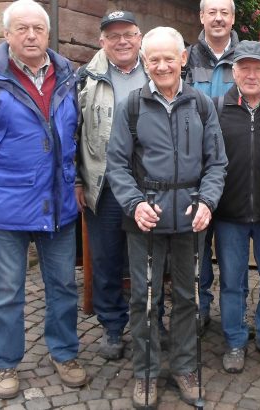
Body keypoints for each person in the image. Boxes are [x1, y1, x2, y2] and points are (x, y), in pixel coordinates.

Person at [0, 0, 87, 399]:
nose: (31, 36)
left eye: (38, 29)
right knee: (7, 290)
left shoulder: (68, 76)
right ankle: (5, 362)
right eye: (22, 29)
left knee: (63, 285)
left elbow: (77, 134)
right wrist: (0, 173)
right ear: (8, 35)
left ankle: (64, 353)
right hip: (8, 206)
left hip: (59, 202)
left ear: (48, 34)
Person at [106, 26, 227, 408]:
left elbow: (217, 163)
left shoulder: (201, 105)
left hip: (191, 217)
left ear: (183, 58)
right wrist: (134, 203)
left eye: (168, 58)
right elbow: (117, 164)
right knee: (145, 298)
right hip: (147, 217)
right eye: (153, 59)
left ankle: (185, 366)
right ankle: (144, 373)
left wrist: (207, 201)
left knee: (188, 298)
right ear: (145, 61)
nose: (161, 65)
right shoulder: (132, 106)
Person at [214, 40, 260, 374]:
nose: (251, 74)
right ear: (233, 72)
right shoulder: (218, 108)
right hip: (229, 213)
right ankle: (234, 340)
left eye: (258, 67)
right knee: (232, 281)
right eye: (244, 67)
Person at [76, 10, 147, 361]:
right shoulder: (86, 77)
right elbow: (73, 131)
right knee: (105, 260)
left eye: (128, 34)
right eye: (113, 35)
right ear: (102, 40)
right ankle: (113, 327)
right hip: (103, 185)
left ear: (139, 37)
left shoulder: (158, 71)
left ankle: (150, 323)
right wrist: (77, 179)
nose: (122, 41)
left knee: (149, 258)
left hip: (149, 185)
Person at [184, 0, 241, 330]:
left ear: (233, 18)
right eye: (212, 12)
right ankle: (199, 309)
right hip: (195, 172)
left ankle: (233, 317)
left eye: (225, 12)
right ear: (201, 16)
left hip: (237, 172)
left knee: (233, 253)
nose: (218, 18)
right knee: (197, 248)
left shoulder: (247, 57)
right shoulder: (186, 59)